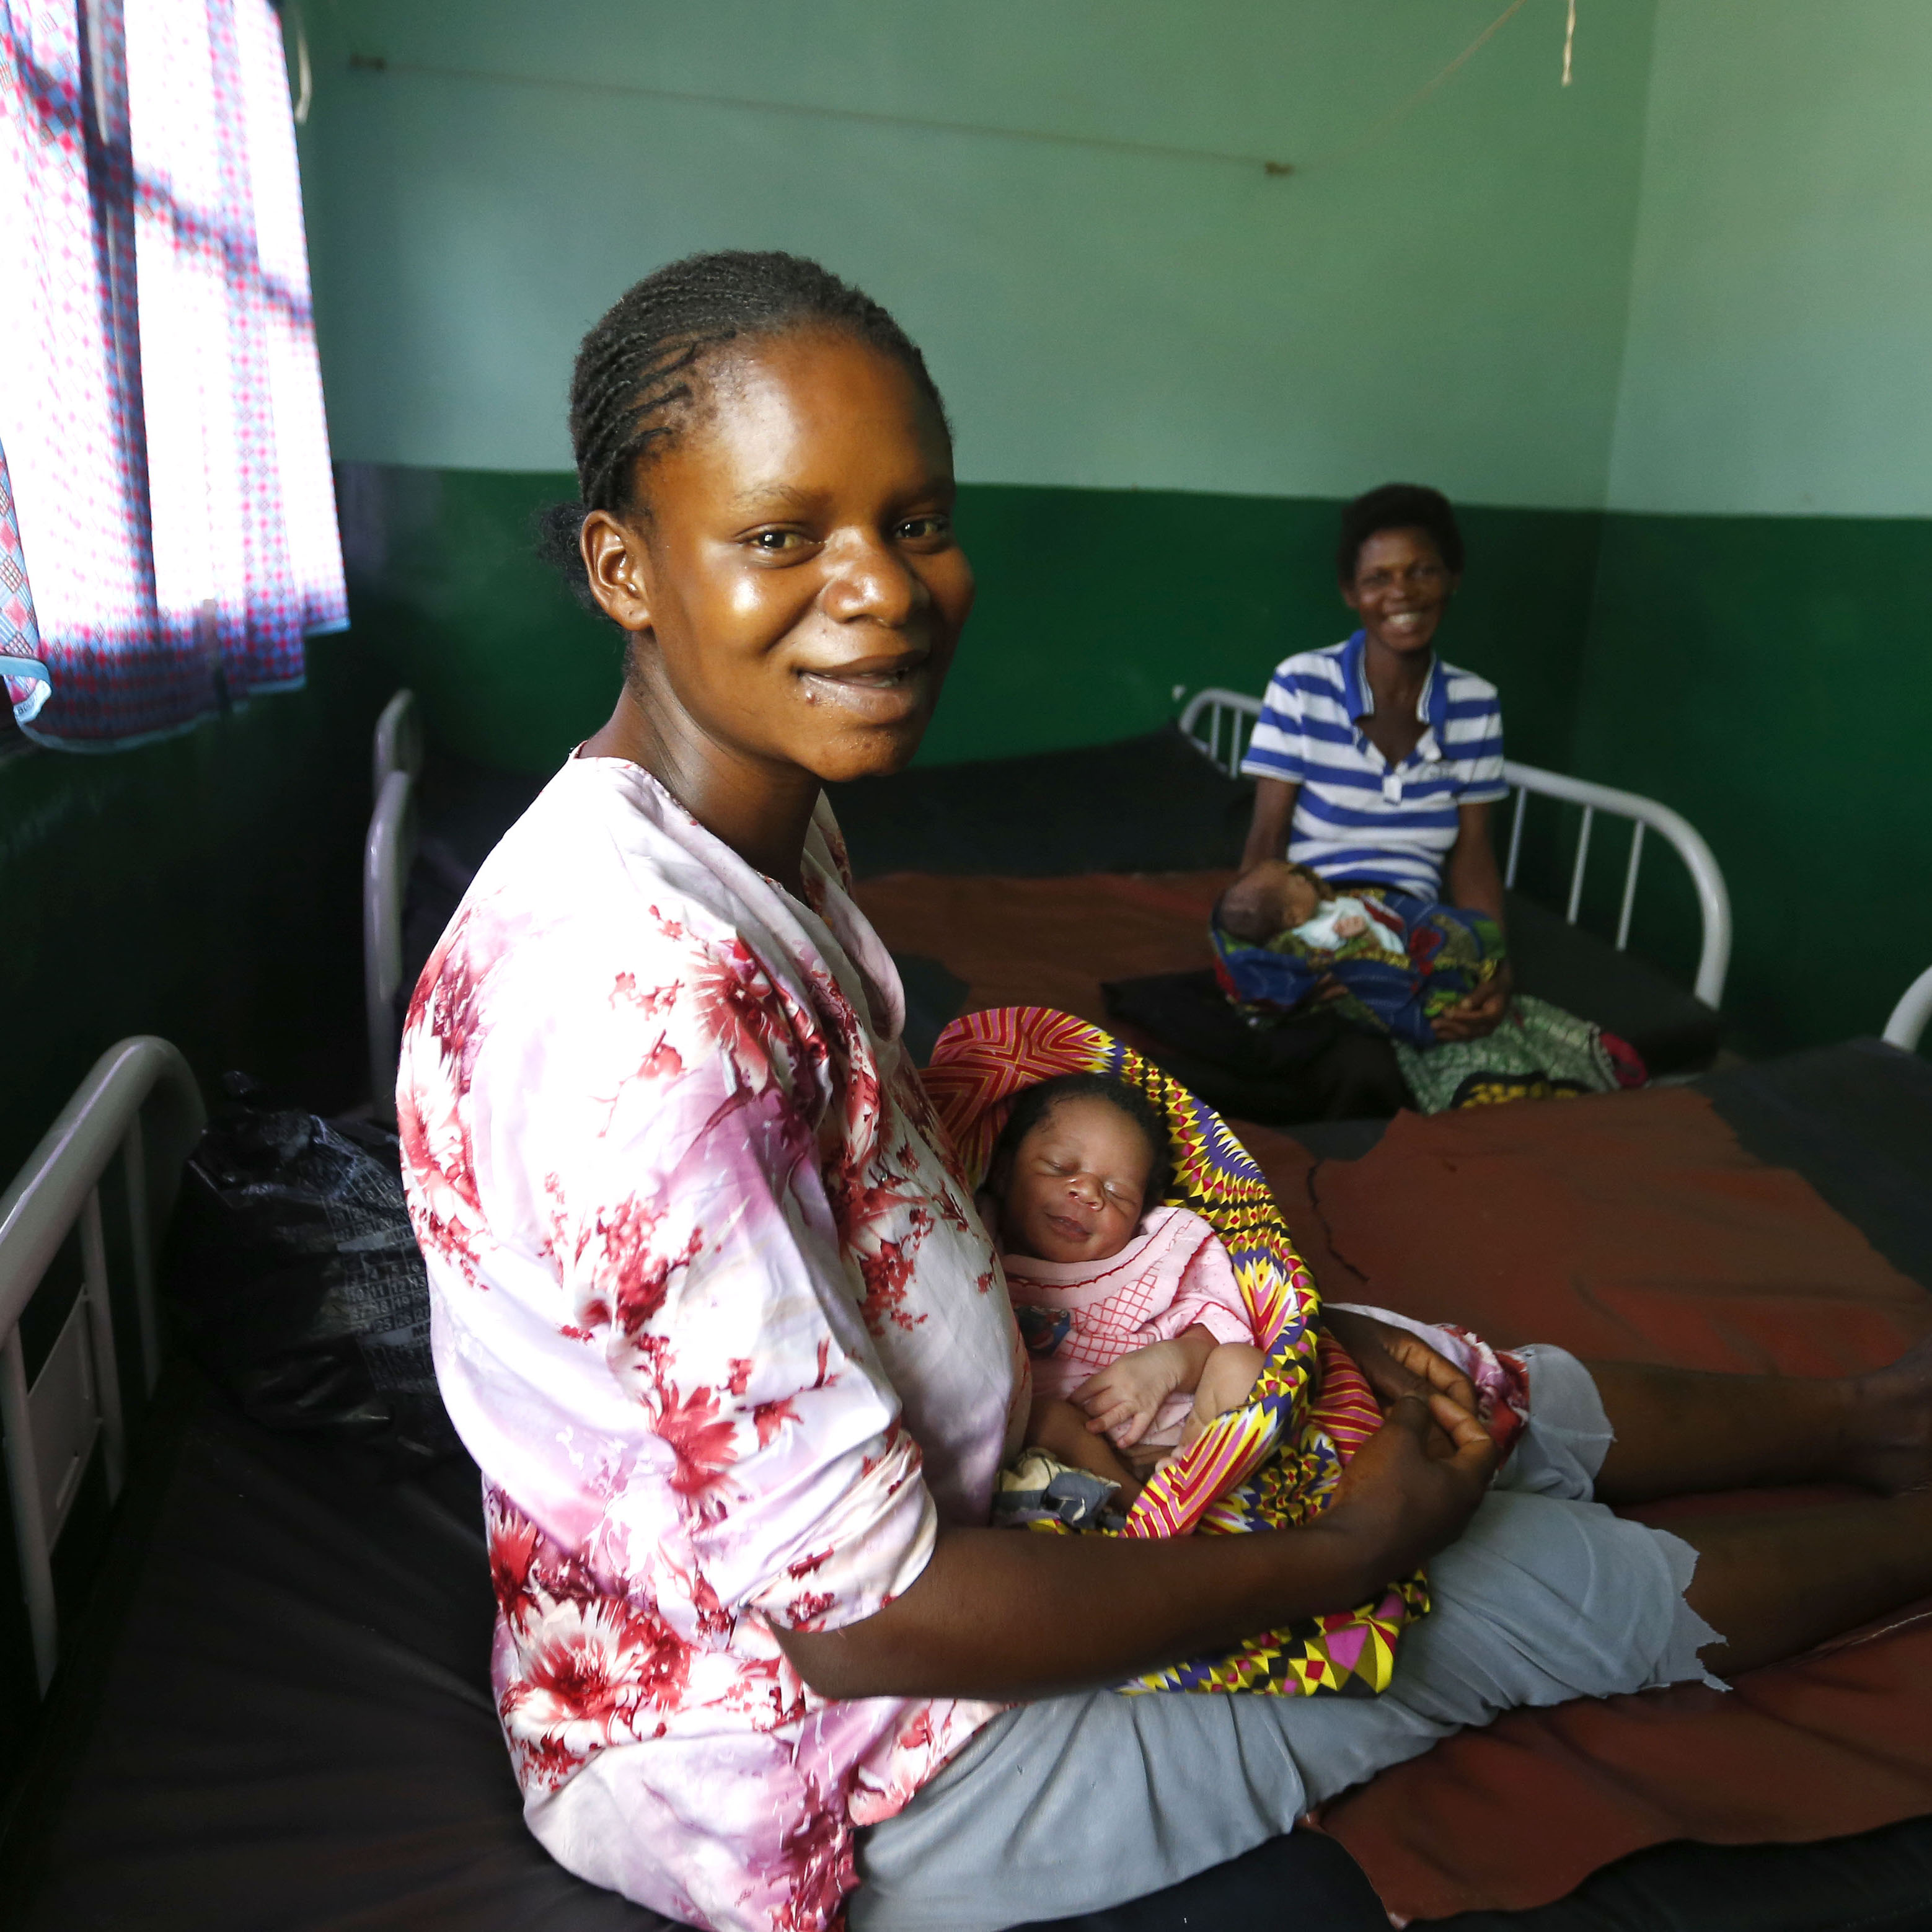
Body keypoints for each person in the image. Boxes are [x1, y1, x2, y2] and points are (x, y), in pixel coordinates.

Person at [397, 249, 1932, 1932]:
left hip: (952, 1486)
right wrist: (1344, 1555)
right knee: (1483, 1590)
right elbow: (860, 1618)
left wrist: (1083, 1371)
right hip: (815, 1748)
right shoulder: (642, 1011)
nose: (883, 591)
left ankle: (1869, 1418)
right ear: (624, 564)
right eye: (781, 535)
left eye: (915, 520)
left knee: (1428, 1376)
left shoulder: (750, 817)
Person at [1238, 483, 1512, 1051]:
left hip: (1414, 928)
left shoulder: (1475, 702)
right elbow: (1267, 835)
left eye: (1422, 572)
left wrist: (1494, 966)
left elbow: (1473, 853)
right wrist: (1264, 950)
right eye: (1376, 578)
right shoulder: (1300, 684)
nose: (1401, 593)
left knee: (1469, 1017)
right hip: (1313, 912)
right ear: (1350, 593)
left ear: (1452, 578)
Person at [984, 1072, 1264, 1493]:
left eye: (1117, 1193)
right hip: (1070, 1450)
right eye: (1060, 1168)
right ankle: (1143, 1515)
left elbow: (1221, 1325)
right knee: (1045, 1420)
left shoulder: (1152, 1257)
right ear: (1004, 1172)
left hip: (1184, 1434)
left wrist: (1170, 1363)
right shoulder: (975, 1242)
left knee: (1243, 1366)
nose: (1088, 1191)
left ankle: (1191, 1484)